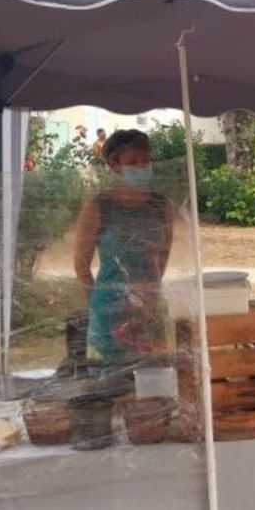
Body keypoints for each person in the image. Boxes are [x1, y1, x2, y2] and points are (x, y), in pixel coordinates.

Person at [73, 129, 176, 363]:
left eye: (145, 161)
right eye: (132, 163)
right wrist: (101, 307)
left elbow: (163, 254)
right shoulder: (99, 207)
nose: (141, 167)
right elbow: (81, 266)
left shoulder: (161, 205)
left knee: (154, 374)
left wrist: (146, 294)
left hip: (150, 307)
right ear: (114, 166)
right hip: (109, 310)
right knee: (110, 378)